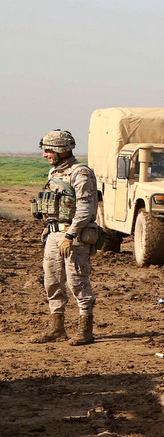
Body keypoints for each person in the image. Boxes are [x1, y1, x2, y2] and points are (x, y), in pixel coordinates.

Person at [28, 129, 98, 346]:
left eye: (48, 150)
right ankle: (57, 328)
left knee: (77, 282)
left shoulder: (80, 173)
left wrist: (70, 235)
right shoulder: (54, 174)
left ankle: (85, 330)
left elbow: (86, 209)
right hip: (53, 234)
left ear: (60, 150)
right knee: (52, 281)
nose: (44, 155)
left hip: (73, 236)